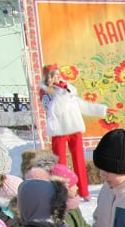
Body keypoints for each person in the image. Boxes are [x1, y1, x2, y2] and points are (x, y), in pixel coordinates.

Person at [39, 64, 108, 198]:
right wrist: (62, 93)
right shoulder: (46, 93)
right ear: (48, 77)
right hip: (59, 132)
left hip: (74, 129)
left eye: (59, 75)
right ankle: (63, 192)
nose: (57, 78)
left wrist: (102, 110)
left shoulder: (67, 91)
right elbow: (54, 111)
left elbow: (84, 106)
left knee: (79, 160)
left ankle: (83, 191)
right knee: (61, 164)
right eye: (54, 75)